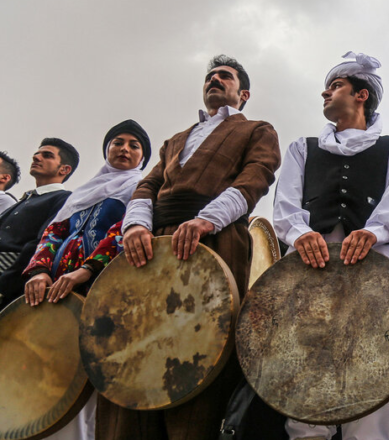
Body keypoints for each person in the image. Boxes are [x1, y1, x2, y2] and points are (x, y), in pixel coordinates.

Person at [101, 55, 281, 440]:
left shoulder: (256, 129)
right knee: (133, 351)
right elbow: (146, 186)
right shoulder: (175, 139)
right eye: (210, 76)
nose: (214, 79)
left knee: (198, 355)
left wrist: (207, 220)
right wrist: (135, 226)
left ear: (243, 92)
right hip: (151, 246)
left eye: (225, 76)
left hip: (215, 239)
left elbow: (257, 176)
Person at [272, 51, 389, 440]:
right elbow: (285, 203)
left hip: (372, 263)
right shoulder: (302, 147)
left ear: (361, 95)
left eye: (335, 86)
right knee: (305, 359)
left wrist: (374, 231)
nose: (325, 93)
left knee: (371, 363)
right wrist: (301, 234)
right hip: (307, 262)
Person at [18, 120, 150, 440]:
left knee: (88, 378)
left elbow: (123, 231)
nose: (124, 149)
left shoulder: (142, 187)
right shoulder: (81, 194)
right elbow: (53, 233)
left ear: (143, 158)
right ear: (106, 150)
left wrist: (88, 269)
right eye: (118, 142)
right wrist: (39, 272)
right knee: (47, 372)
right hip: (57, 293)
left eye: (134, 146)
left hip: (104, 291)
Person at [0, 138, 77, 308]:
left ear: (64, 169)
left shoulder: (64, 199)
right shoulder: (24, 200)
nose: (36, 158)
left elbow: (42, 242)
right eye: (36, 154)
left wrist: (5, 285)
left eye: (47, 155)